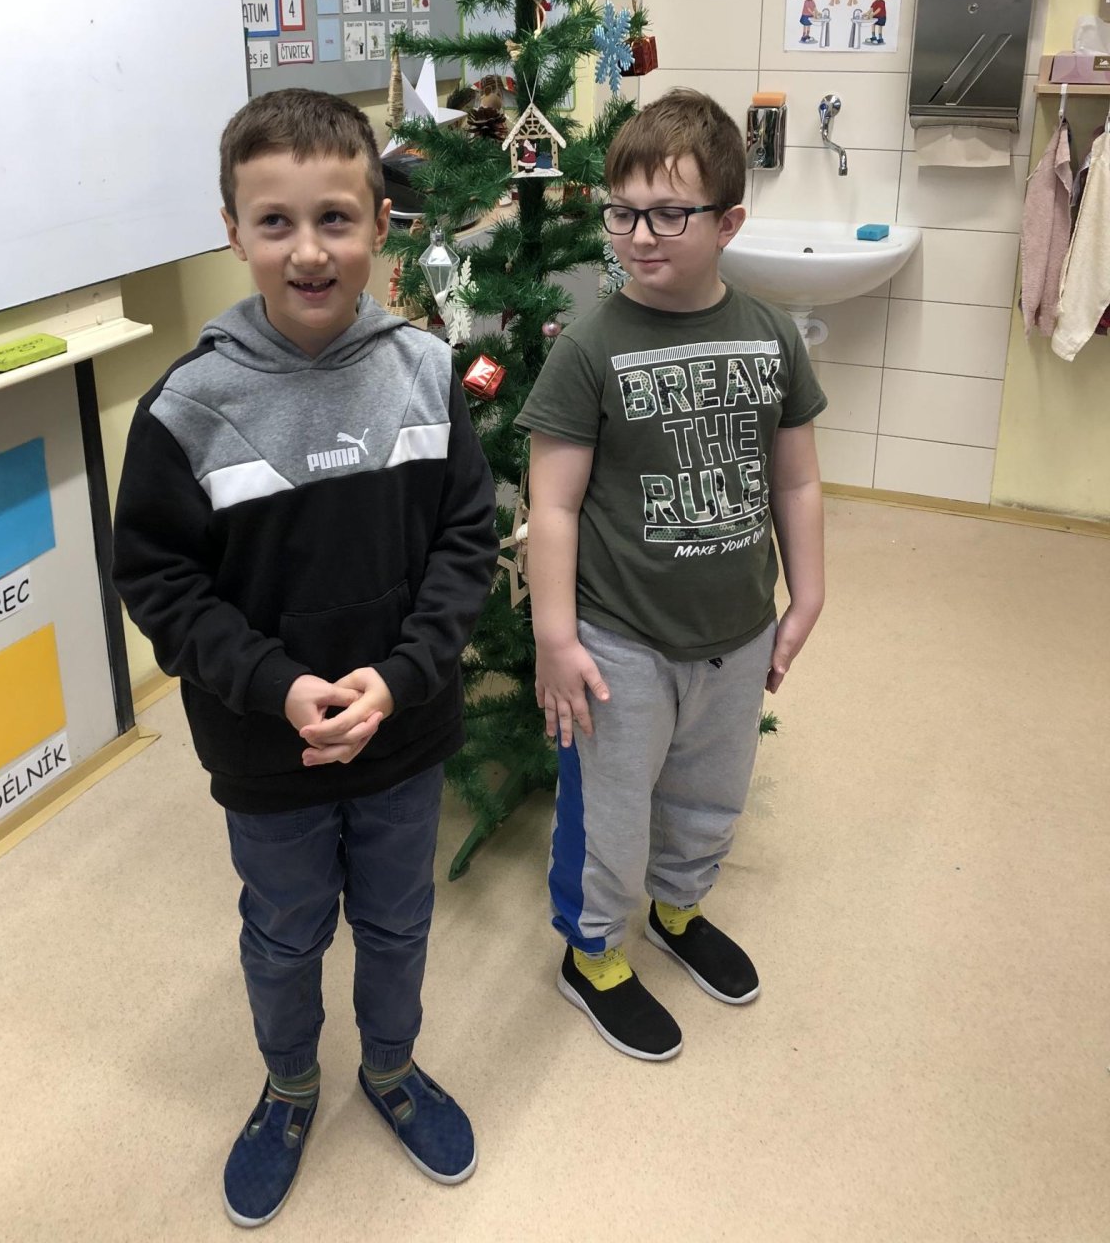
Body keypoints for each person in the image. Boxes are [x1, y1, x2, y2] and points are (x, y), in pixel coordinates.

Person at [113, 89, 497, 1224]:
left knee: (398, 920)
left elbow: (466, 541)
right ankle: (289, 1084)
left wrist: (404, 674)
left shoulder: (424, 372)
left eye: (335, 217)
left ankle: (391, 1065)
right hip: (266, 751)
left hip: (403, 733)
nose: (309, 249)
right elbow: (161, 584)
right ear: (232, 231)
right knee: (284, 933)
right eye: (274, 221)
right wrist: (278, 687)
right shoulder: (187, 406)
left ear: (381, 221)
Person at [517, 89, 826, 1062]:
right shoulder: (589, 349)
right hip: (619, 641)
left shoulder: (771, 335)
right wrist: (555, 638)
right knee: (611, 814)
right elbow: (552, 507)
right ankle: (594, 956)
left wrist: (809, 592)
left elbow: (797, 479)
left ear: (728, 222)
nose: (639, 236)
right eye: (623, 212)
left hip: (737, 630)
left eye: (668, 215)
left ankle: (679, 910)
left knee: (709, 796)